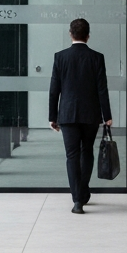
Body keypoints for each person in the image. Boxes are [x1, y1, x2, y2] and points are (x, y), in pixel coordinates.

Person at [48, 17, 112, 213]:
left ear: (70, 34)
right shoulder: (96, 57)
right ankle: (83, 192)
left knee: (72, 156)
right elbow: (102, 89)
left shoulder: (60, 57)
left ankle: (77, 199)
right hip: (91, 114)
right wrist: (107, 115)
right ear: (88, 35)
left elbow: (54, 90)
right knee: (87, 152)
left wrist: (53, 116)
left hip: (67, 114)